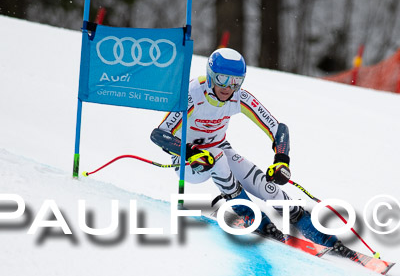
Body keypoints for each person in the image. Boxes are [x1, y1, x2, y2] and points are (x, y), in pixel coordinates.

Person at [150, 47, 355, 258]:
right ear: (211, 75)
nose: (228, 87)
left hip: (219, 150)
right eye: (222, 79)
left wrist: (281, 161)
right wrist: (189, 152)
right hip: (189, 163)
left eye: (235, 82)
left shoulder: (239, 97)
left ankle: (326, 239)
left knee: (267, 188)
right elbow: (159, 134)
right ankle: (252, 217)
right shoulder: (192, 94)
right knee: (218, 159)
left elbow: (279, 129)